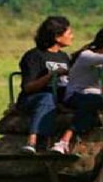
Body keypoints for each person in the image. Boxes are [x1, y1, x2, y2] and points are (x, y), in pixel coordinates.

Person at [49, 27, 103, 154]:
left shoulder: (102, 58)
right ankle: (65, 140)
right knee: (93, 101)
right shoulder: (87, 56)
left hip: (94, 94)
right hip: (76, 95)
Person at [17, 16, 73, 153]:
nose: (72, 36)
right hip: (34, 99)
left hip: (59, 98)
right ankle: (33, 141)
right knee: (47, 98)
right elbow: (28, 87)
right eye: (69, 33)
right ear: (57, 37)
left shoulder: (64, 57)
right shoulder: (34, 56)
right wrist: (51, 75)